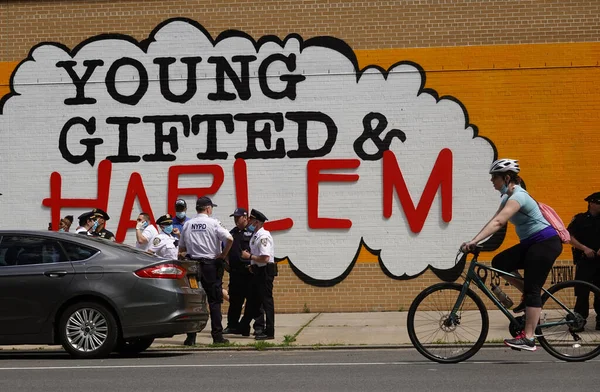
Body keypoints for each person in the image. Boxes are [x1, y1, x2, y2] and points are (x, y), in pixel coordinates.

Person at [461, 158, 562, 352]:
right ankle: (529, 295)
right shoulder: (507, 197)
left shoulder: (519, 196)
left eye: (495, 177)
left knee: (533, 290)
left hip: (544, 243)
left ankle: (529, 338)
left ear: (507, 178)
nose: (492, 181)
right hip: (532, 244)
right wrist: (476, 241)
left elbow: (499, 222)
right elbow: (495, 221)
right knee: (500, 262)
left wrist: (473, 242)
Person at [178, 196, 233, 345]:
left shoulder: (188, 224)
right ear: (208, 209)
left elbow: (181, 249)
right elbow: (229, 239)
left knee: (194, 302)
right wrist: (222, 255)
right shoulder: (213, 223)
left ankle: (191, 337)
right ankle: (217, 336)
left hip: (193, 266)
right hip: (210, 266)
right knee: (214, 301)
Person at [222, 208, 266, 337]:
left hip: (249, 273)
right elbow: (228, 249)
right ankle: (233, 325)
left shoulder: (253, 232)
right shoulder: (233, 233)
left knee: (254, 301)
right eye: (234, 217)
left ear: (246, 218)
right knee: (235, 300)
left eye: (238, 217)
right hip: (236, 273)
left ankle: (258, 327)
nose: (236, 220)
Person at [238, 209, 277, 340]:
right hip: (258, 271)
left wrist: (250, 256)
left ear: (257, 222)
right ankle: (244, 325)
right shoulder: (256, 235)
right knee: (252, 300)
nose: (248, 222)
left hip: (265, 271)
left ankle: (269, 331)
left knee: (266, 302)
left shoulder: (263, 236)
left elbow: (265, 257)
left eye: (251, 220)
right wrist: (252, 265)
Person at [568, 191, 600, 331]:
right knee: (582, 293)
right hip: (584, 261)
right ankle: (579, 321)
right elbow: (569, 236)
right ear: (591, 203)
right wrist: (584, 248)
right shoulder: (580, 219)